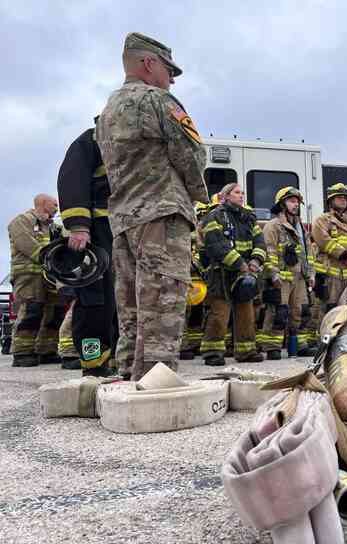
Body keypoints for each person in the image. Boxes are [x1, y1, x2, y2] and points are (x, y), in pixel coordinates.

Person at [96, 32, 209, 380]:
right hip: (162, 213)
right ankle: (155, 385)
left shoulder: (107, 111)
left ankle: (129, 376)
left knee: (131, 306)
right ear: (149, 63)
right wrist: (197, 197)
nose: (172, 78)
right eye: (168, 69)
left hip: (124, 220)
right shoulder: (159, 102)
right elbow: (192, 157)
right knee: (162, 303)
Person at [57, 120, 118, 376]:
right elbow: (72, 179)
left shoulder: (136, 140)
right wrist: (79, 225)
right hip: (98, 230)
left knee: (119, 300)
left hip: (124, 228)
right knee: (95, 299)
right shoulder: (91, 140)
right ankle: (93, 364)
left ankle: (113, 358)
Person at [200, 184, 266, 365]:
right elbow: (216, 245)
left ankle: (246, 352)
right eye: (237, 192)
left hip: (245, 273)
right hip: (221, 273)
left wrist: (255, 261)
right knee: (219, 314)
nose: (241, 195)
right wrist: (241, 264)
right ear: (226, 196)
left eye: (242, 192)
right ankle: (212, 352)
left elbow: (260, 243)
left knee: (247, 313)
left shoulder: (249, 219)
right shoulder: (213, 217)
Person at [7, 194, 65, 367]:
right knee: (31, 311)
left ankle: (46, 350)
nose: (57, 208)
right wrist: (51, 259)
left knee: (54, 312)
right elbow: (27, 245)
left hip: (50, 276)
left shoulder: (54, 227)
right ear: (43, 203)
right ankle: (22, 352)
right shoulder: (21, 221)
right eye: (54, 204)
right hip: (28, 276)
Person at [259, 187, 316, 359]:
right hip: (281, 279)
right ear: (282, 204)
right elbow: (269, 251)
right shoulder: (273, 226)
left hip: (299, 279)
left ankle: (299, 344)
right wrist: (273, 274)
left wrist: (311, 274)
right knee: (278, 312)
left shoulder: (301, 228)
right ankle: (272, 346)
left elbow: (308, 254)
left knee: (301, 311)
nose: (296, 204)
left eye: (297, 201)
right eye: (291, 201)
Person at [311, 183, 347, 312]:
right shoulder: (322, 220)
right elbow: (323, 239)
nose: (343, 200)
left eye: (345, 198)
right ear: (331, 201)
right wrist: (344, 255)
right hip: (330, 276)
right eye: (339, 197)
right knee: (327, 310)